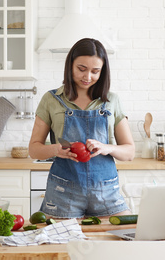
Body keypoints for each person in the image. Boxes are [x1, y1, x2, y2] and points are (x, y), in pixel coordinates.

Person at [29, 38, 135, 219]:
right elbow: (33, 149)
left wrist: (106, 147)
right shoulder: (51, 99)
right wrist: (56, 149)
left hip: (106, 191)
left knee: (119, 240)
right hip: (62, 191)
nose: (87, 77)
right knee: (60, 245)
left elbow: (130, 152)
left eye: (95, 71)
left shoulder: (112, 101)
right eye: (81, 69)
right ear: (70, 66)